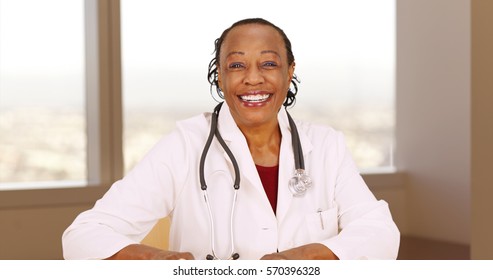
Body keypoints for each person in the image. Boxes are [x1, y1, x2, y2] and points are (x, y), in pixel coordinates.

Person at [62, 18, 400, 260]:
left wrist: (309, 258)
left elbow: (379, 233)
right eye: (237, 66)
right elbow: (83, 236)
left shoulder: (326, 146)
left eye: (269, 63)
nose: (253, 79)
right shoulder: (185, 145)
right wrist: (158, 262)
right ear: (220, 77)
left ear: (289, 72)